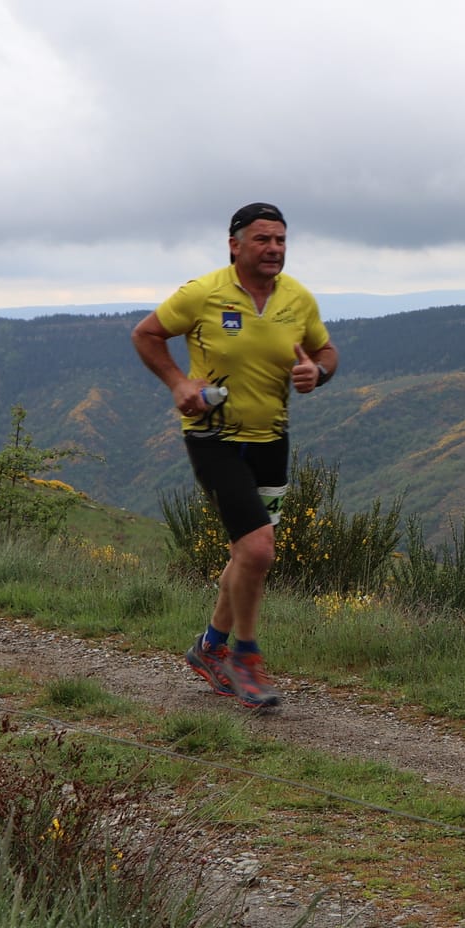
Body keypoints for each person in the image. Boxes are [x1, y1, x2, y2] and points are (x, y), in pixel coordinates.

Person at [131, 201, 338, 710]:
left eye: (281, 240)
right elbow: (146, 333)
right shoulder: (204, 293)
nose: (274, 249)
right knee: (260, 552)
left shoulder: (298, 299)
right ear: (235, 244)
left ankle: (209, 648)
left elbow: (325, 352)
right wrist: (178, 382)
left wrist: (318, 373)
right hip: (214, 438)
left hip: (272, 439)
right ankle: (245, 656)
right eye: (263, 239)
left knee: (247, 555)